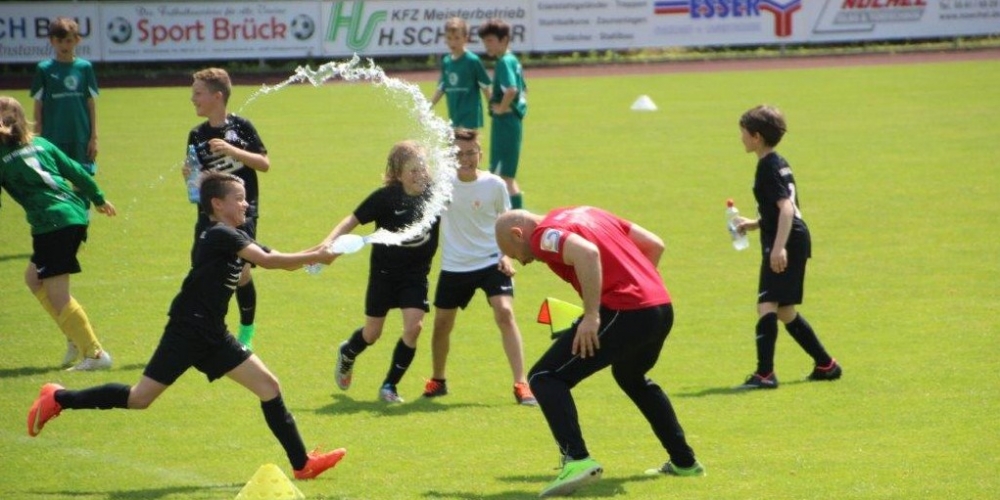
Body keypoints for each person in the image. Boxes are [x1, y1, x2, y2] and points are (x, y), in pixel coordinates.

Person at [27, 172, 347, 480]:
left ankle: (302, 464)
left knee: (269, 387)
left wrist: (319, 253)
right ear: (217, 204)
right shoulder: (220, 234)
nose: (246, 204)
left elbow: (275, 256)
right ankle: (58, 398)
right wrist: (317, 256)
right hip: (187, 330)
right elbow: (269, 261)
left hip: (213, 333)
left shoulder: (235, 235)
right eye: (239, 198)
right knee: (140, 398)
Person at [495, 207, 704, 498]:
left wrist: (593, 316)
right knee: (630, 376)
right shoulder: (589, 213)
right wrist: (639, 290)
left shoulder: (543, 236)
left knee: (545, 377)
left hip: (625, 310)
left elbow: (587, 253)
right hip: (660, 307)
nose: (524, 262)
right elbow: (655, 244)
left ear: (518, 234)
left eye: (516, 254)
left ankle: (577, 460)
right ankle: (685, 462)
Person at [0, 95, 115, 371]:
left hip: (52, 224)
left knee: (56, 293)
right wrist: (99, 199)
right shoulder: (41, 143)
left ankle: (95, 354)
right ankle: (74, 334)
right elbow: (77, 171)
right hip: (73, 214)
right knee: (33, 278)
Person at [421, 129, 536, 406]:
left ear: (480, 154)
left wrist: (506, 256)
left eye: (471, 152)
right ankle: (438, 380)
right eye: (459, 153)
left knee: (505, 312)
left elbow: (507, 222)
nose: (466, 158)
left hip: (491, 260)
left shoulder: (494, 185)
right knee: (442, 324)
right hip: (455, 264)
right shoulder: (442, 185)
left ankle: (522, 383)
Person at [733, 105, 842, 389]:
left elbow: (786, 209)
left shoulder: (767, 167)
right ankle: (826, 365)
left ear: (756, 136)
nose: (741, 137)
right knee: (784, 310)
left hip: (787, 239)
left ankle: (765, 374)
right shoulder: (778, 161)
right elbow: (780, 208)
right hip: (793, 236)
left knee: (766, 304)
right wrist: (755, 224)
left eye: (743, 132)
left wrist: (779, 247)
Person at [326, 140, 439, 403]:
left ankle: (390, 386)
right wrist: (327, 245)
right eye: (412, 170)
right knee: (372, 333)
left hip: (415, 275)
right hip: (384, 275)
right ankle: (348, 352)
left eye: (423, 168)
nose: (420, 175)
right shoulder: (386, 197)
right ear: (398, 174)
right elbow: (351, 221)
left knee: (414, 328)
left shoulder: (436, 193)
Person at [182, 67, 269, 349]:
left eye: (198, 93)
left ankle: (246, 332)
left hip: (242, 214)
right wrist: (190, 176)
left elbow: (264, 163)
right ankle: (201, 330)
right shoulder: (197, 135)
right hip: (208, 216)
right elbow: (196, 185)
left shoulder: (241, 127)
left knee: (241, 274)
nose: (193, 99)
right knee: (202, 271)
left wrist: (233, 151)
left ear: (217, 96)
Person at [30, 18, 99, 177]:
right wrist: (37, 139)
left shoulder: (85, 68)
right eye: (59, 41)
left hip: (80, 136)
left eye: (68, 41)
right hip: (52, 137)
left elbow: (91, 104)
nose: (64, 46)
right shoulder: (44, 69)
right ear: (52, 41)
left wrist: (94, 138)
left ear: (77, 40)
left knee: (82, 182)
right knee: (55, 182)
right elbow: (38, 107)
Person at [478, 18, 527, 209]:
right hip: (509, 122)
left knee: (503, 177)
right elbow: (524, 89)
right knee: (504, 176)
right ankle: (512, 216)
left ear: (504, 39)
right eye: (485, 41)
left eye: (490, 40)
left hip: (506, 123)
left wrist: (501, 108)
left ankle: (517, 218)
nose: (487, 45)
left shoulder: (505, 62)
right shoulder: (512, 60)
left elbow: (512, 89)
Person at [428, 17, 492, 130]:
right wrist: (428, 107)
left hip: (470, 118)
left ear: (465, 38)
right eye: (449, 38)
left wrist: (492, 107)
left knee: (464, 141)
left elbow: (485, 86)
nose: (453, 42)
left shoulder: (472, 61)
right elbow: (442, 87)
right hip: (454, 117)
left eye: (457, 38)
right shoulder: (446, 62)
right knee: (455, 141)